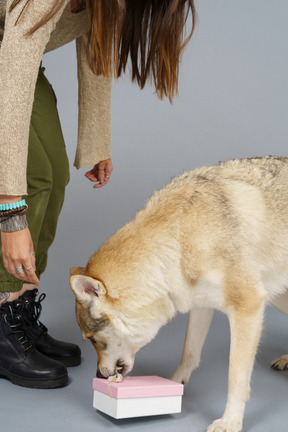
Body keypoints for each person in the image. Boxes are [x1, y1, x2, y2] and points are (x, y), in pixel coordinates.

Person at [0, 0, 196, 389]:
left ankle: (17, 309)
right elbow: (12, 73)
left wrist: (94, 142)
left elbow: (96, 50)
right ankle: (3, 318)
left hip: (12, 58)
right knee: (31, 179)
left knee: (53, 175)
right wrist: (9, 214)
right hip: (9, 63)